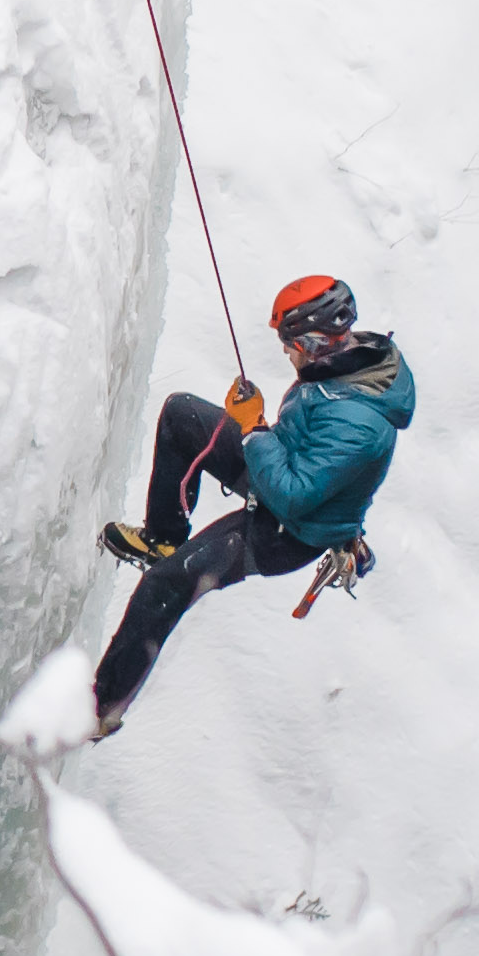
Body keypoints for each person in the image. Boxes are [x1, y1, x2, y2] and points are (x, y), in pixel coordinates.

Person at [86, 272, 413, 735]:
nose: (285, 352)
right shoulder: (346, 365)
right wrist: (256, 430)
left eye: (289, 343)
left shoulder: (358, 424)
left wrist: (254, 428)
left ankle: (98, 710)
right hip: (279, 467)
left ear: (314, 343)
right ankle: (162, 538)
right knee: (181, 415)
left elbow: (292, 496)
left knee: (166, 585)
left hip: (289, 530)